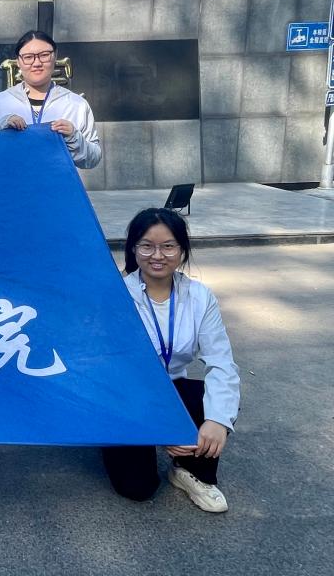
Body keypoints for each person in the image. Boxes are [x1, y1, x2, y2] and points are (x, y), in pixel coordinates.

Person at [102, 208, 240, 512]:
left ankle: (191, 471)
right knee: (138, 488)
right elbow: (109, 373)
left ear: (182, 250)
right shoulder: (116, 297)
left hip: (172, 389)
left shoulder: (199, 297)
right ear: (133, 249)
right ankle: (120, 440)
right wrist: (159, 429)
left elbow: (221, 363)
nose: (157, 255)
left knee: (210, 400)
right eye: (146, 246)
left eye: (168, 246)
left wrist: (218, 421)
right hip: (126, 397)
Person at [0, 30, 101, 168]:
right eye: (28, 57)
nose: (37, 63)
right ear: (18, 61)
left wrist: (74, 137)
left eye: (44, 55)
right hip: (9, 180)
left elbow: (93, 159)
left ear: (55, 56)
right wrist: (0, 127)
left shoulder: (76, 104)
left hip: (58, 181)